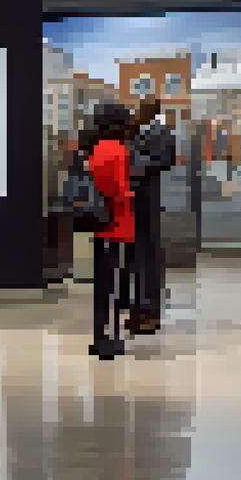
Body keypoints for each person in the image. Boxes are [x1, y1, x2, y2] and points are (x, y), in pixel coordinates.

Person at [84, 102, 137, 360]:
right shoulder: (119, 151)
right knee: (115, 286)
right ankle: (110, 340)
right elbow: (118, 189)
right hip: (117, 223)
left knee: (101, 286)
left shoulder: (95, 150)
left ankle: (98, 336)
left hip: (98, 223)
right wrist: (130, 195)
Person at [128, 99, 175, 335]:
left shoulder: (163, 132)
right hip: (135, 199)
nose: (138, 111)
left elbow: (166, 159)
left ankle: (151, 312)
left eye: (143, 108)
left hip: (151, 198)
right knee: (137, 256)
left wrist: (138, 163)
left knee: (150, 254)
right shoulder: (136, 129)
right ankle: (138, 308)